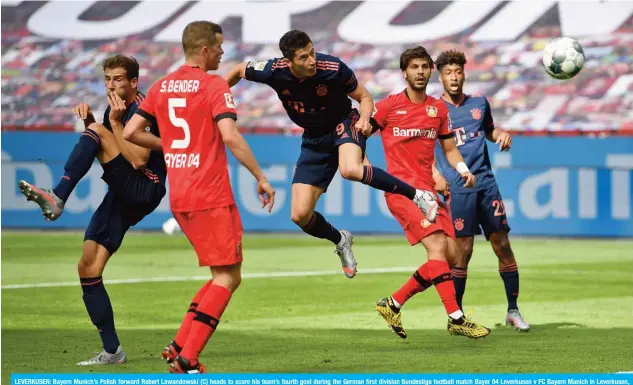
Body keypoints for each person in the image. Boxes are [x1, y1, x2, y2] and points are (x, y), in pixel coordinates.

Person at [223, 30, 439, 279]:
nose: (312, 60)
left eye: (312, 52)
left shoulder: (333, 68)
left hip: (344, 122)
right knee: (299, 215)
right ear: (289, 62)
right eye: (304, 57)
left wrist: (365, 119)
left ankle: (418, 196)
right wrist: (217, 99)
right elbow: (239, 70)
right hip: (314, 137)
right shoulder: (271, 70)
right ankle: (341, 240)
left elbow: (364, 97)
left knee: (350, 169)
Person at [123, 20, 275, 374]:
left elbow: (132, 131)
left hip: (181, 197)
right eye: (219, 46)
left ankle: (177, 345)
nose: (223, 52)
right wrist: (261, 176)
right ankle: (187, 359)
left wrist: (173, 145)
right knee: (227, 278)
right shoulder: (214, 85)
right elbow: (231, 137)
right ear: (204, 49)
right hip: (211, 194)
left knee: (222, 275)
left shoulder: (162, 86)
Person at [18, 55, 167, 365]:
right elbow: (107, 145)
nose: (110, 85)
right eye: (107, 79)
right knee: (88, 267)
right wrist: (91, 123)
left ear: (133, 82)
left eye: (118, 79)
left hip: (144, 187)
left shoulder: (143, 108)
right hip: (123, 193)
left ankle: (57, 196)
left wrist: (107, 124)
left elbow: (139, 160)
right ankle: (113, 351)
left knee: (98, 131)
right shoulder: (115, 109)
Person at [371, 46, 490, 340]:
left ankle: (393, 303)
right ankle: (456, 318)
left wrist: (462, 169)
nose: (420, 72)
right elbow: (359, 132)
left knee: (450, 255)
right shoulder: (387, 107)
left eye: (425, 66)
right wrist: (358, 161)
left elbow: (449, 148)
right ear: (405, 72)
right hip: (401, 190)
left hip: (429, 191)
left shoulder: (438, 109)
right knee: (437, 246)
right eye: (414, 67)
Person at [433, 49, 530, 331]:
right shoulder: (434, 109)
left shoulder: (479, 103)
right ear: (440, 77)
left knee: (503, 245)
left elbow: (489, 130)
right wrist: (435, 173)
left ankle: (513, 310)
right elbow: (425, 148)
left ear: (464, 73)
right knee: (463, 252)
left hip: (486, 184)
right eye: (448, 73)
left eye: (458, 72)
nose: (454, 77)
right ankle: (457, 318)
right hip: (458, 187)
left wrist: (500, 134)